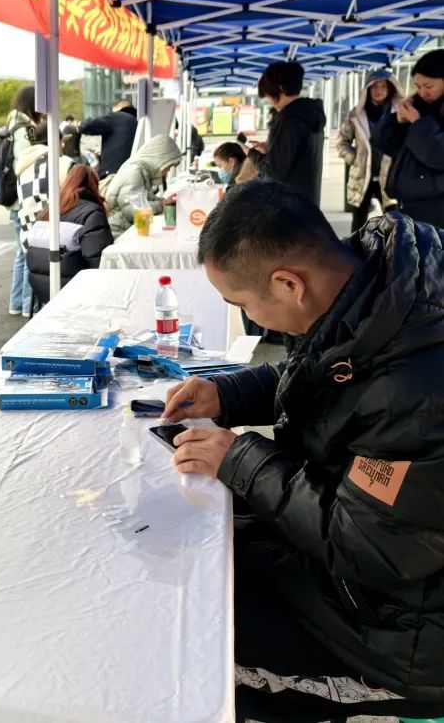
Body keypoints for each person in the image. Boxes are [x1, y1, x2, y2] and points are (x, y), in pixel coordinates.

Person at [163, 181, 444, 723]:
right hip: (365, 562)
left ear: (289, 283)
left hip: (402, 634)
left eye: (243, 305)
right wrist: (228, 394)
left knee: (187, 646)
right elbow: (324, 374)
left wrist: (239, 459)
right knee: (197, 553)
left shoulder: (417, 386)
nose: (251, 318)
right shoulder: (375, 288)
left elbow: (371, 547)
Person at [372, 49, 444, 228]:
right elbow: (385, 144)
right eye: (418, 86)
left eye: (428, 86)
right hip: (409, 205)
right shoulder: (418, 106)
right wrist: (396, 121)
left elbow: (438, 155)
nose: (422, 92)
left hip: (437, 210)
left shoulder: (419, 117)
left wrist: (418, 123)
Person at [26, 165, 114, 303]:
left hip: (42, 291)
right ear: (94, 185)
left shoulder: (48, 210)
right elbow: (100, 262)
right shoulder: (92, 212)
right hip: (76, 291)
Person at [15, 122, 73, 314]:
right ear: (55, 141)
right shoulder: (60, 163)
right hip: (51, 234)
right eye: (61, 142)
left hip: (28, 233)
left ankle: (28, 309)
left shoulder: (23, 165)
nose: (62, 147)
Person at [337, 69, 403, 232]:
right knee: (358, 223)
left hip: (390, 176)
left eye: (383, 86)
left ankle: (392, 248)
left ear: (390, 89)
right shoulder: (355, 114)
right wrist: (354, 158)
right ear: (367, 89)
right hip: (362, 177)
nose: (378, 90)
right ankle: (355, 248)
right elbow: (342, 142)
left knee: (395, 223)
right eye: (374, 86)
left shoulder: (400, 113)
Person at [256, 61, 326, 205]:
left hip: (287, 206)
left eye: (268, 94)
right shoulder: (309, 114)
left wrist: (253, 155)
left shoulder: (288, 120)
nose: (269, 101)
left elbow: (273, 174)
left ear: (280, 87)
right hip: (306, 204)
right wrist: (272, 149)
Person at [5, 85, 42, 316]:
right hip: (24, 202)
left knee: (22, 253)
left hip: (15, 203)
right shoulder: (23, 131)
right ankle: (27, 306)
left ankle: (17, 303)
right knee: (29, 253)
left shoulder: (12, 126)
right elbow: (25, 163)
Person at [102, 134, 181, 237]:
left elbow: (145, 199)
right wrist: (161, 206)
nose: (168, 170)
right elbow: (134, 210)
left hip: (130, 229)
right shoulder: (133, 172)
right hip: (120, 233)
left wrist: (164, 201)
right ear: (161, 160)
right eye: (168, 166)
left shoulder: (142, 171)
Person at [79, 98, 138, 179]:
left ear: (118, 108)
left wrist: (80, 126)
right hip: (132, 174)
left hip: (112, 174)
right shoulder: (137, 122)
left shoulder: (116, 117)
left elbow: (87, 125)